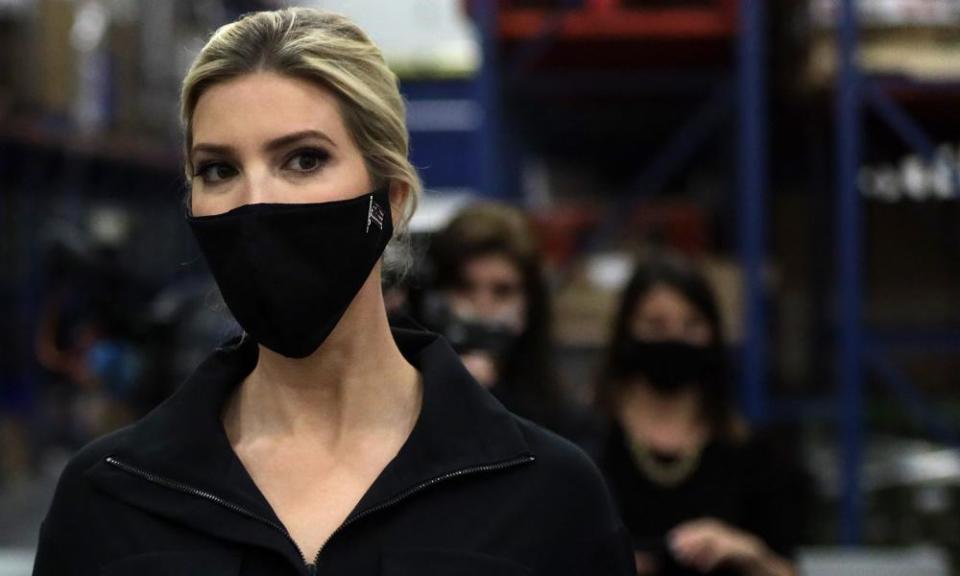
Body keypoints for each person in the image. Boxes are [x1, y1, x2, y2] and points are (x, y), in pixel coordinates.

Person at [33, 8, 634, 576]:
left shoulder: (545, 495)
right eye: (218, 169)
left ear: (391, 199)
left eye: (303, 159)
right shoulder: (111, 496)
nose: (256, 200)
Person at [596, 254, 805, 576]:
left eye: (692, 325)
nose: (674, 339)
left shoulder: (753, 454)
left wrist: (744, 551)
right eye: (655, 325)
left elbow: (787, 569)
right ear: (626, 331)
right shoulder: (586, 443)